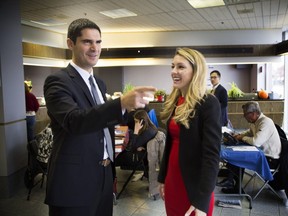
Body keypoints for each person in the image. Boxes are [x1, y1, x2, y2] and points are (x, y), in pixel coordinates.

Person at [43, 18, 156, 216]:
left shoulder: (99, 83)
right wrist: (119, 103)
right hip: (74, 183)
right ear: (70, 44)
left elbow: (104, 123)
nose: (95, 48)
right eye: (87, 42)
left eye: (98, 42)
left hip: (104, 176)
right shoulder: (58, 82)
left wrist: (130, 113)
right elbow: (75, 121)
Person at [158, 48, 222, 216]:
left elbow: (212, 155)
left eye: (180, 67)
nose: (173, 71)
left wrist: (202, 200)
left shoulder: (208, 103)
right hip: (173, 180)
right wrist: (162, 177)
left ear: (196, 71)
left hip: (195, 186)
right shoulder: (176, 100)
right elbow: (169, 144)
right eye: (172, 66)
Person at [218, 101, 281, 194]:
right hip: (261, 154)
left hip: (270, 160)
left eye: (245, 114)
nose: (244, 117)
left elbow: (256, 142)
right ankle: (233, 182)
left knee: (241, 157)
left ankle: (234, 185)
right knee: (238, 155)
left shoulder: (265, 122)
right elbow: (249, 132)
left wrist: (241, 137)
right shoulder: (255, 121)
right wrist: (238, 135)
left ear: (253, 113)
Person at [115, 109, 158, 179]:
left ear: (141, 121)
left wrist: (135, 131)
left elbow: (132, 147)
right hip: (139, 153)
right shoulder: (150, 128)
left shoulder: (147, 133)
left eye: (136, 122)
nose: (135, 124)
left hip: (136, 157)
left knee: (115, 157)